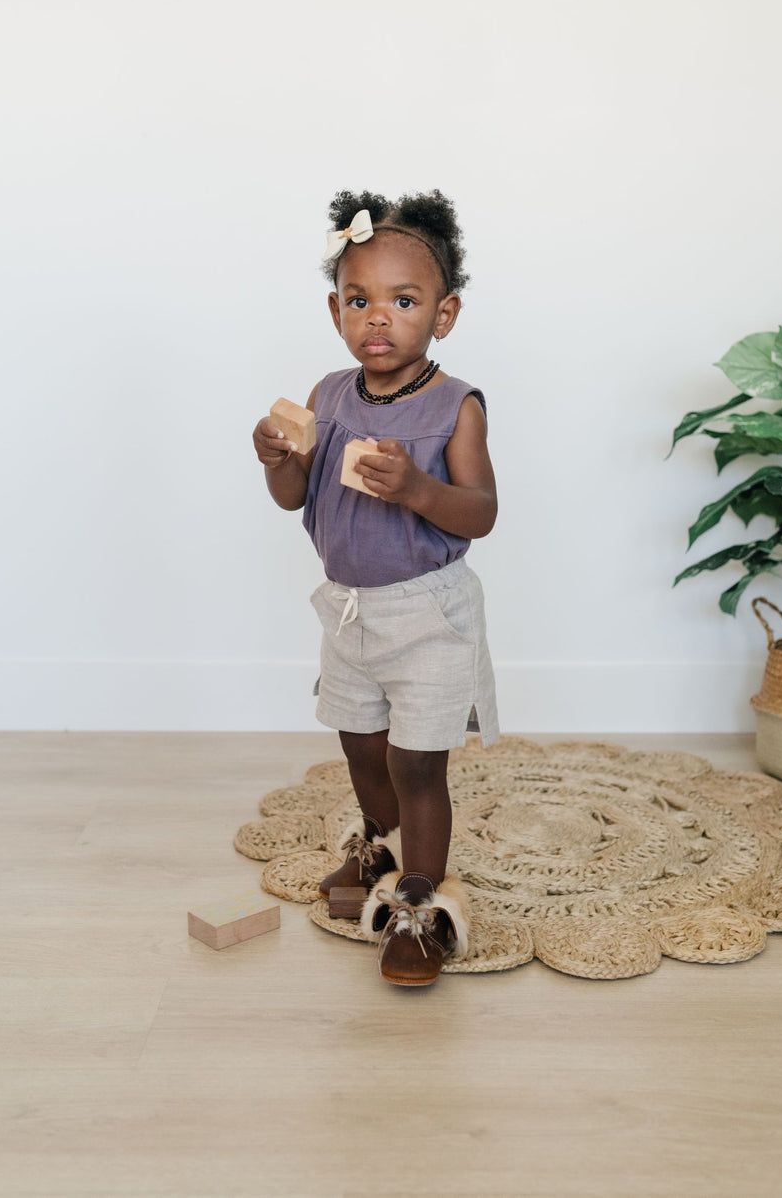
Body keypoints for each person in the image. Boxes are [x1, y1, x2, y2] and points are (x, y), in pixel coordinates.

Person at [252, 189, 499, 985]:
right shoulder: (328, 396)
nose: (379, 319)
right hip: (349, 613)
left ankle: (422, 910)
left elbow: (481, 512)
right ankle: (380, 850)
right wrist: (281, 461)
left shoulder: (453, 407)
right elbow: (297, 501)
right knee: (361, 748)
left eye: (403, 300)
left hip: (428, 616)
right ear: (335, 310)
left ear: (444, 313)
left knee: (417, 763)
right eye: (359, 301)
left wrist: (416, 491)